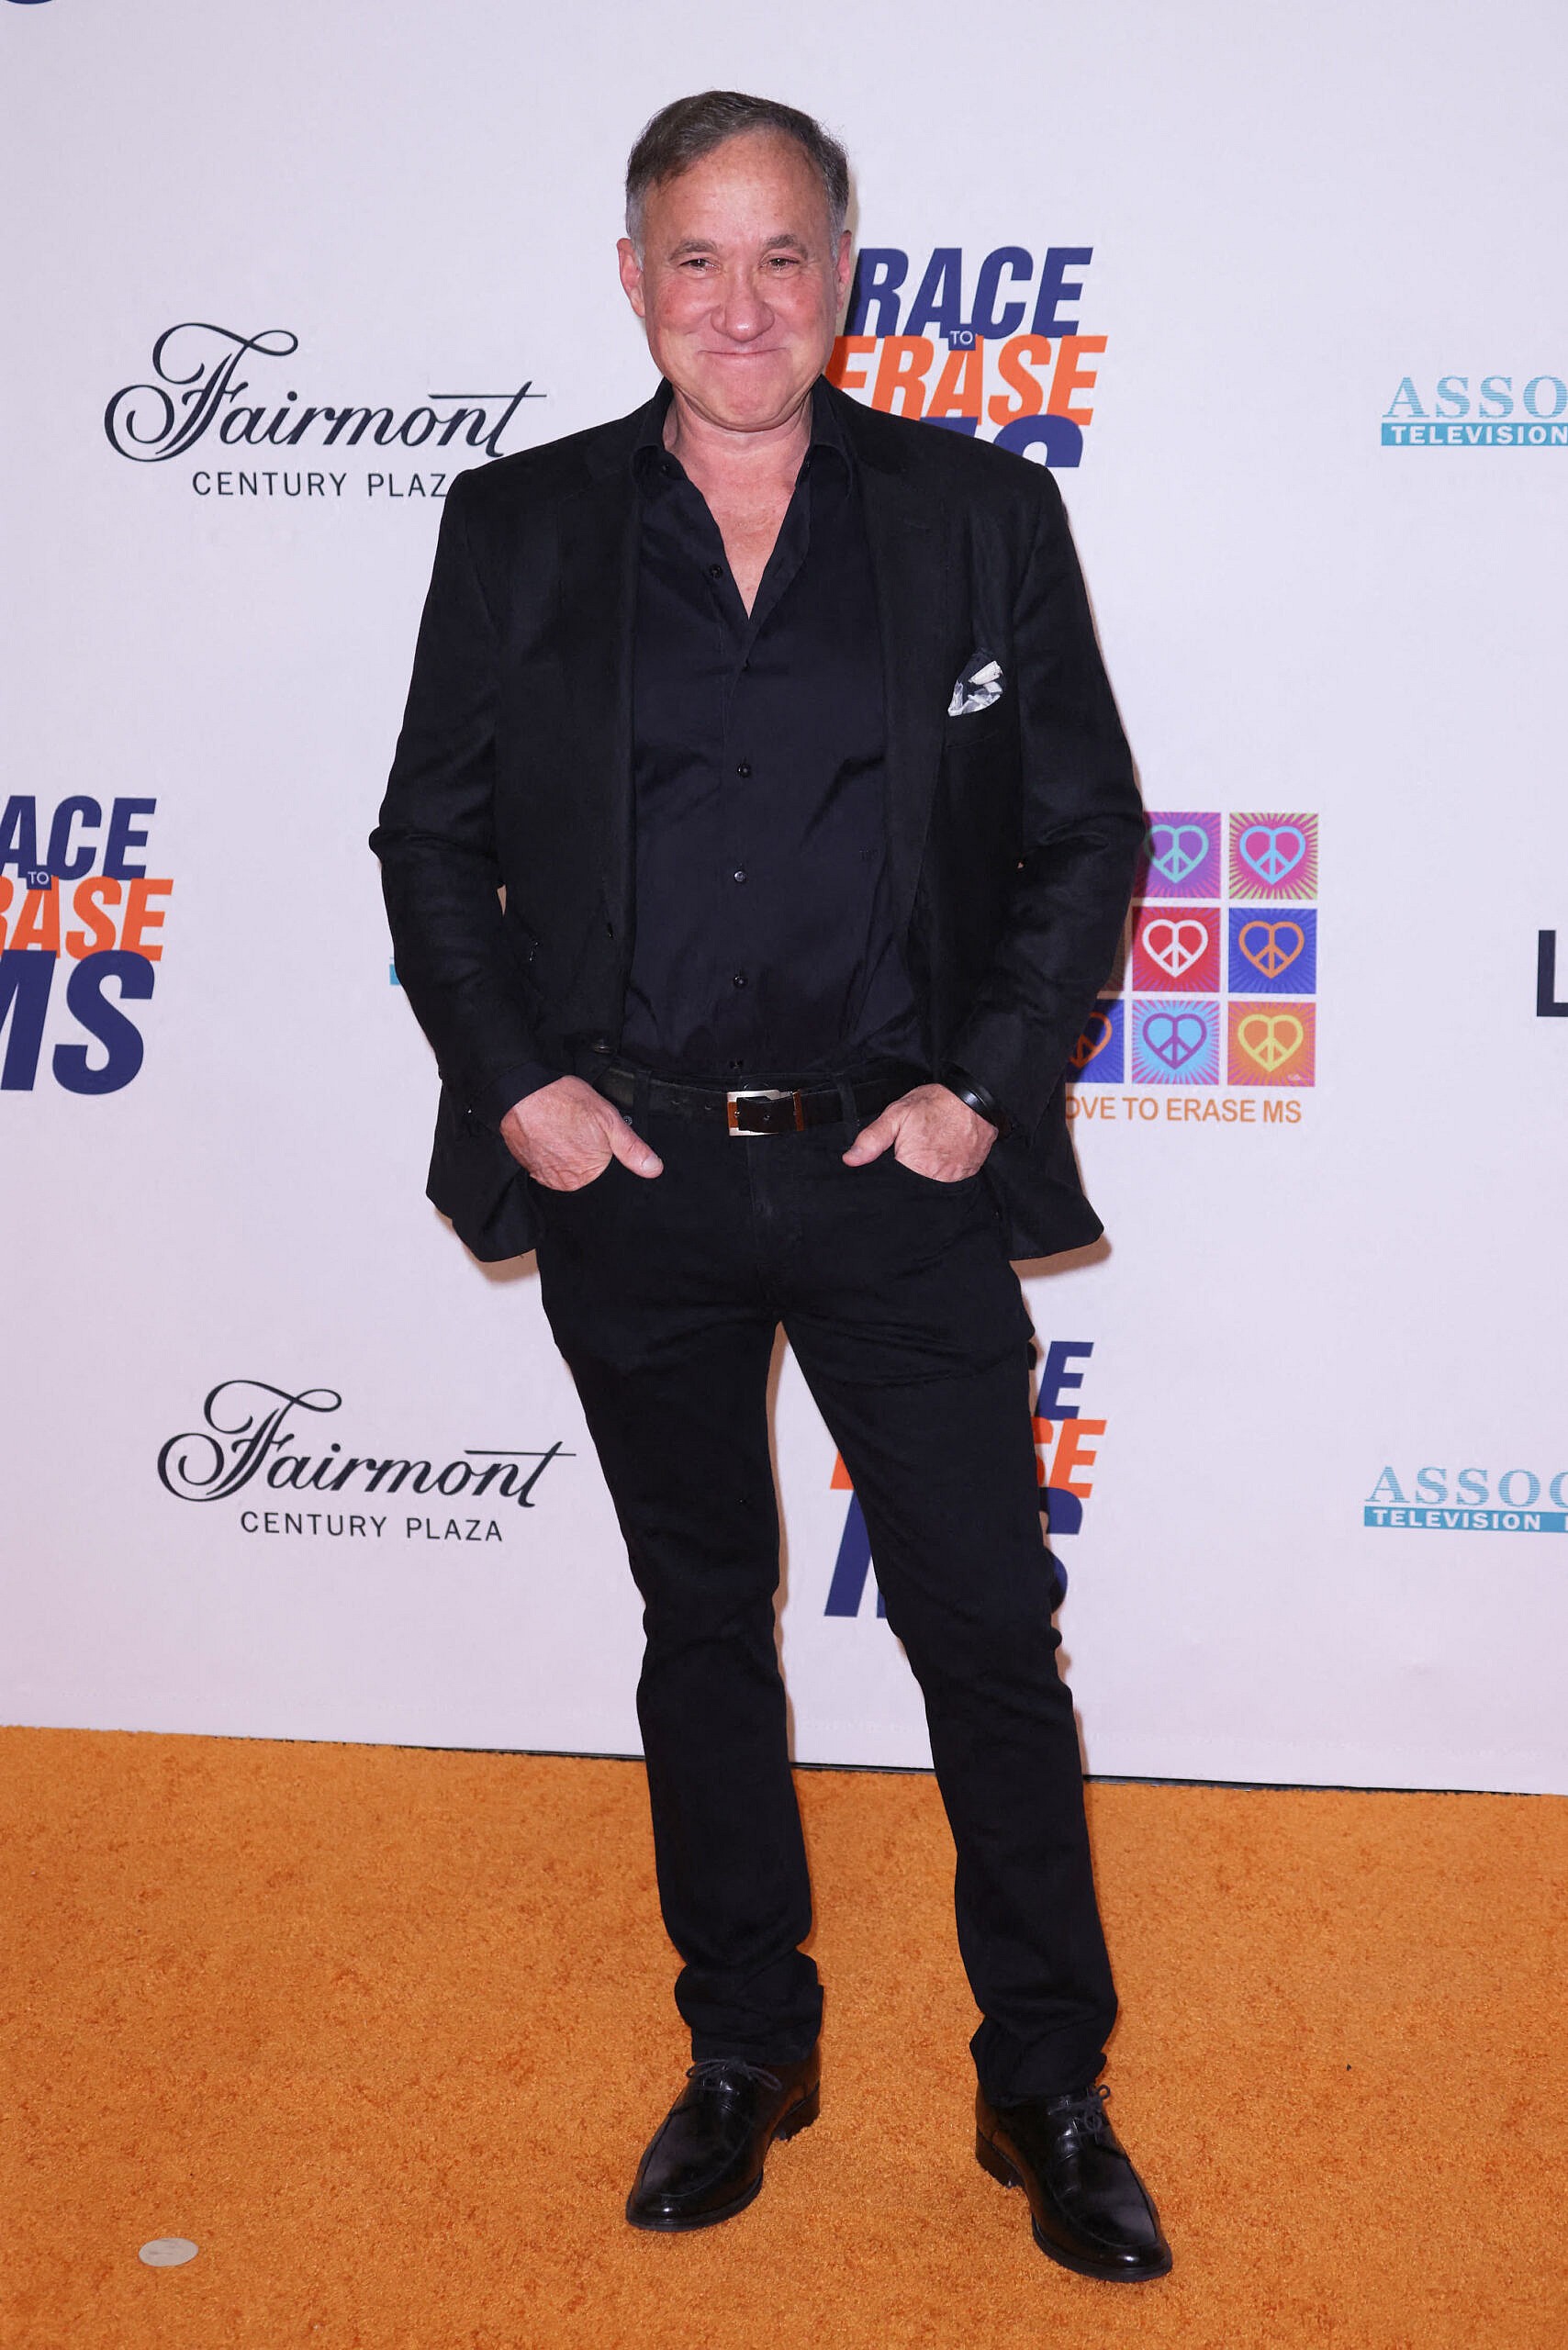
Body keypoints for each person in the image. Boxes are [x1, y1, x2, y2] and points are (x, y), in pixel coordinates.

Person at [372, 89, 1170, 2284]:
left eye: (783, 254)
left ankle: (1044, 2079)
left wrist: (981, 1091)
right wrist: (518, 1084)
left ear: (845, 269)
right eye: (695, 259)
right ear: (631, 277)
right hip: (630, 1176)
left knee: (986, 1636)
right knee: (701, 1624)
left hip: (895, 1171)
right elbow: (429, 835)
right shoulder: (517, 522)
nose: (742, 304)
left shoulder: (977, 512)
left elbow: (1086, 828)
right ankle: (746, 2046)